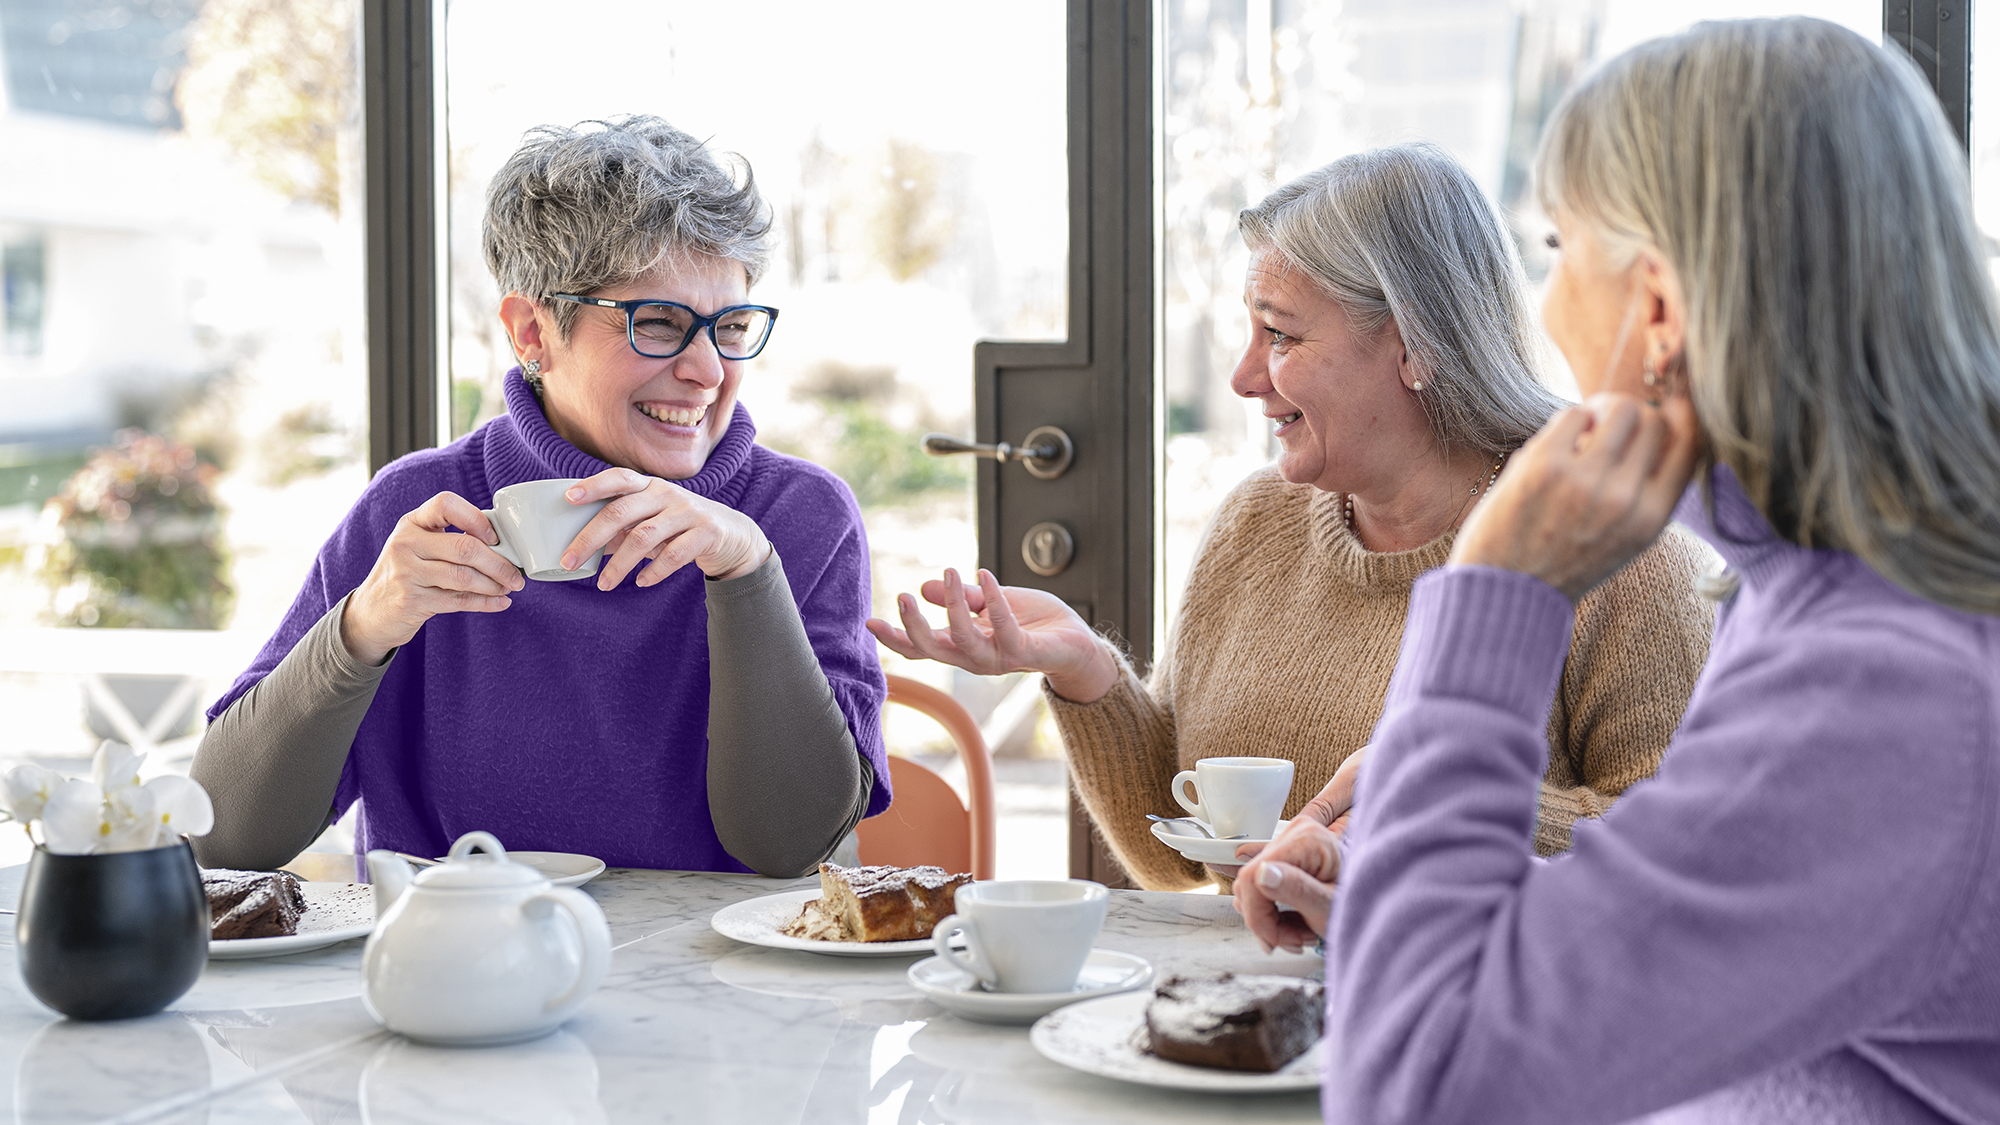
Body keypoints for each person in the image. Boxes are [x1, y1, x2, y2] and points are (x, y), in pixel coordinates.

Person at [1236, 18, 2000, 1122]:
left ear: (1653, 309)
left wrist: (1495, 598)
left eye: (1553, 249)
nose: (1541, 305)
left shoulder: (1881, 686)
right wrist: (1417, 914)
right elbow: (1767, 942)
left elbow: (1414, 1091)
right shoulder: (1837, 594)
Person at [870, 144, 1714, 890]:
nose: (1241, 376)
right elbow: (1179, 857)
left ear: (1416, 343)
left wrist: (1429, 802)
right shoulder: (1256, 522)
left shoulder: (1622, 557)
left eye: (1278, 335)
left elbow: (1681, 860)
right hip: (1245, 1027)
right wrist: (1087, 672)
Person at [190, 117, 890, 877]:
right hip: (455, 977)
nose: (708, 370)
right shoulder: (421, 508)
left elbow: (790, 844)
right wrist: (363, 628)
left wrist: (747, 572)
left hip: (720, 985)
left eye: (730, 327)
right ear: (532, 331)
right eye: (658, 323)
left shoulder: (799, 517)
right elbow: (225, 836)